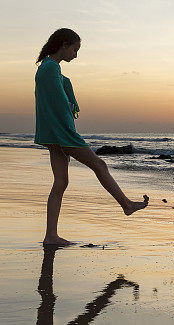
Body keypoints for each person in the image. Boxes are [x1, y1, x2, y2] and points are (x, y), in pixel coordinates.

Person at [34, 28, 148, 247]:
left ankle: (51, 236)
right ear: (64, 44)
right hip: (62, 133)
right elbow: (59, 106)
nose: (76, 55)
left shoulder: (49, 68)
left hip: (52, 134)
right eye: (75, 49)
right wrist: (70, 133)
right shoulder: (50, 69)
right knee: (99, 165)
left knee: (60, 182)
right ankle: (126, 205)